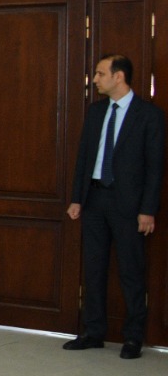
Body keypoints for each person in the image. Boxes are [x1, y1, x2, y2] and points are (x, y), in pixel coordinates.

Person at [63, 54, 163, 359]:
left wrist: (148, 209)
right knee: (93, 268)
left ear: (118, 76)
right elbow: (84, 157)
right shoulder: (95, 112)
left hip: (129, 205)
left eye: (100, 73)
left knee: (131, 270)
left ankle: (133, 337)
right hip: (95, 199)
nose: (95, 79)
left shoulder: (149, 115)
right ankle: (93, 332)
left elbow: (155, 168)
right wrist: (77, 198)